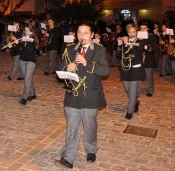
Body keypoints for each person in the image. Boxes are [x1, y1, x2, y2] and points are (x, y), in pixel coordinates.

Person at [55, 22, 109, 169]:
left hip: (90, 94)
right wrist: (67, 67)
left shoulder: (99, 50)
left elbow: (105, 71)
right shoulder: (71, 48)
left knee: (90, 125)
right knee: (72, 126)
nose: (81, 36)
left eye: (85, 33)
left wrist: (87, 63)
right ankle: (68, 157)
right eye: (79, 33)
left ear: (91, 35)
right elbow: (59, 68)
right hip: (72, 94)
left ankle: (91, 150)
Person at [117, 24, 145, 120]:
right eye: (129, 32)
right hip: (125, 69)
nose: (131, 34)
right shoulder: (125, 41)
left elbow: (136, 54)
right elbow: (118, 55)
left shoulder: (140, 42)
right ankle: (135, 102)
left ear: (136, 32)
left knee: (133, 92)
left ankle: (130, 111)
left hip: (136, 69)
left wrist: (128, 44)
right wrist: (120, 45)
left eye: (133, 32)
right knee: (128, 89)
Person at [18, 25, 39, 105]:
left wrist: (27, 40)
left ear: (31, 31)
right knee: (27, 78)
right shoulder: (22, 39)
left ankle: (24, 98)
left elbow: (34, 46)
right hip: (22, 60)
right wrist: (16, 44)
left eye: (28, 30)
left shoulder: (33, 39)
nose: (26, 32)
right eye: (25, 30)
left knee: (27, 79)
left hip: (31, 60)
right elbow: (18, 48)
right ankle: (33, 94)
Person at [140, 22, 158, 97]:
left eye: (144, 28)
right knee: (138, 76)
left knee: (149, 76)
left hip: (149, 59)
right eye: (141, 28)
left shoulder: (152, 37)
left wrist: (144, 45)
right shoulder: (137, 37)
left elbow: (154, 48)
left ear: (147, 29)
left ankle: (150, 90)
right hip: (139, 59)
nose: (143, 30)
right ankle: (137, 90)